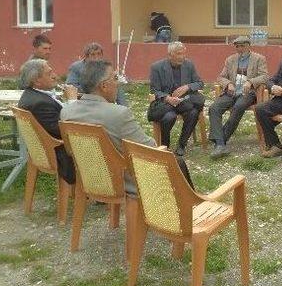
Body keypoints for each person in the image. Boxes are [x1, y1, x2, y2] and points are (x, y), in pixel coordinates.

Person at [61, 60, 193, 192]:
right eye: (115, 78)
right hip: (122, 179)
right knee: (176, 162)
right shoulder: (118, 114)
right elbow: (149, 148)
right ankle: (189, 207)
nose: (118, 83)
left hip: (89, 177)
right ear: (104, 86)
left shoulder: (66, 112)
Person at [18, 59, 77, 184]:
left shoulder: (32, 96)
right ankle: (104, 191)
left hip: (50, 150)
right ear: (37, 81)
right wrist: (72, 101)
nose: (55, 76)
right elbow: (67, 130)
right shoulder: (40, 103)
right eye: (49, 73)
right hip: (62, 156)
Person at [208, 36, 268, 158]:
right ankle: (220, 144)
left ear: (248, 46)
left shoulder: (259, 59)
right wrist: (228, 84)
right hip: (231, 92)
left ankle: (220, 140)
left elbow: (265, 76)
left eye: (242, 46)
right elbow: (221, 77)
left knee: (238, 106)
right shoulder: (230, 59)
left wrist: (250, 81)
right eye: (237, 46)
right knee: (214, 107)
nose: (240, 49)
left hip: (248, 93)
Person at [148, 41, 205, 156]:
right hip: (166, 104)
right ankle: (165, 146)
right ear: (170, 55)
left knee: (193, 112)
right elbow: (154, 90)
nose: (182, 57)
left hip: (184, 102)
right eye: (179, 54)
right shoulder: (156, 67)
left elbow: (199, 83)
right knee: (169, 117)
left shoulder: (189, 64)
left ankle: (181, 145)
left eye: (184, 53)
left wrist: (187, 87)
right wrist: (167, 98)